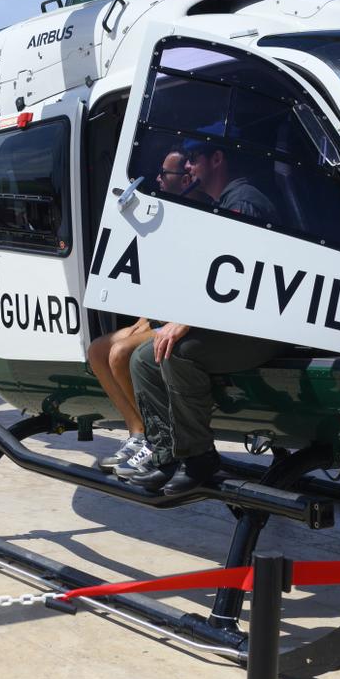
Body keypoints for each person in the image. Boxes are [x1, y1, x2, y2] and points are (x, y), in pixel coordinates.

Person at [122, 139, 287, 495]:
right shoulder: (222, 204)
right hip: (231, 327)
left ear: (217, 159)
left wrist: (187, 321)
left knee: (177, 352)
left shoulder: (242, 203)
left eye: (194, 159)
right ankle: (166, 453)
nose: (189, 168)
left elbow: (241, 282)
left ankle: (198, 457)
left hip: (259, 330)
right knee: (143, 358)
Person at [90, 149, 199, 476]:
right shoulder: (163, 214)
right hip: (160, 314)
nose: (158, 180)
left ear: (186, 177)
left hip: (186, 320)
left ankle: (157, 439)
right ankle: (137, 432)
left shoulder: (197, 216)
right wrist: (141, 320)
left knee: (122, 353)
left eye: (166, 174)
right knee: (98, 350)